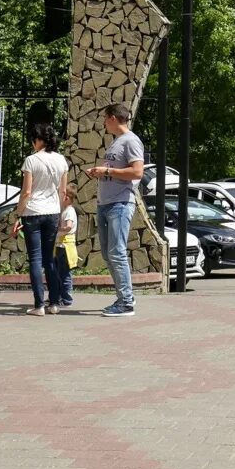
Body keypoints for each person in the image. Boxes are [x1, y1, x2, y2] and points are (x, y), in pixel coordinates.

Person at [86, 103, 144, 316]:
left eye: (104, 118)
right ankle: (126, 295)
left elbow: (137, 172)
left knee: (116, 253)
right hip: (106, 204)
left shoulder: (131, 141)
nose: (103, 123)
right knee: (109, 254)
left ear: (112, 118)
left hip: (119, 204)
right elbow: (117, 171)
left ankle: (126, 302)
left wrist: (107, 170)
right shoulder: (118, 142)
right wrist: (101, 172)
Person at [11, 123, 69, 315]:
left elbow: (26, 192)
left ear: (38, 140)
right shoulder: (61, 161)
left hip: (32, 212)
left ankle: (39, 305)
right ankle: (54, 303)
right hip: (52, 212)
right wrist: (60, 213)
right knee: (49, 258)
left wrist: (18, 214)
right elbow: (63, 191)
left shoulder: (31, 161)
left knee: (35, 259)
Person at [52, 186, 78, 309]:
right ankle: (57, 296)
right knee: (58, 273)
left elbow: (68, 226)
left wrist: (57, 229)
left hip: (65, 246)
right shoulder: (65, 210)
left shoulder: (69, 211)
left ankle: (67, 299)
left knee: (65, 274)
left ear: (67, 198)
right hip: (60, 245)